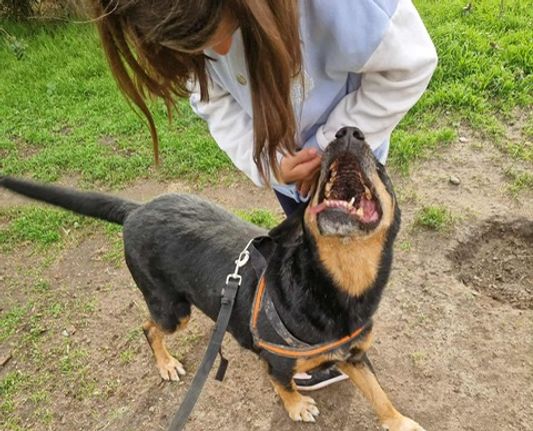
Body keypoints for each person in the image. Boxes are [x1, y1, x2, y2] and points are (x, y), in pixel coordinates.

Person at [91, 0, 437, 390]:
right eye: (199, 48)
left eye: (228, 27)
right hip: (287, 175)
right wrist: (270, 164)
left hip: (352, 157)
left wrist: (329, 147)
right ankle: (314, 337)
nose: (222, 52)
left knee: (353, 247)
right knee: (312, 259)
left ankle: (334, 337)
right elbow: (212, 100)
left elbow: (410, 63)